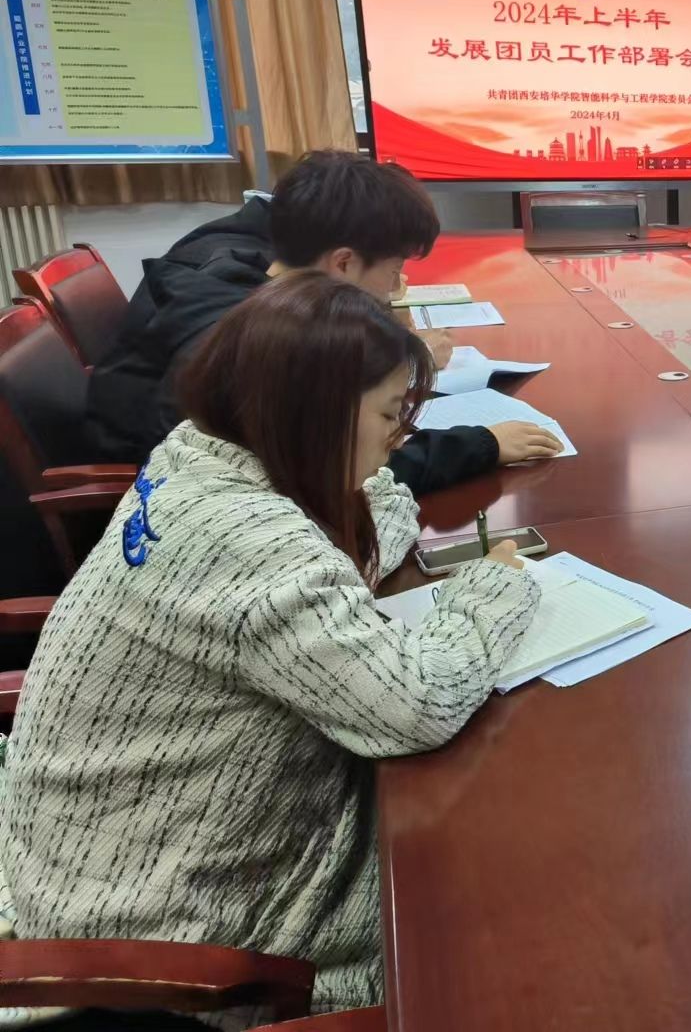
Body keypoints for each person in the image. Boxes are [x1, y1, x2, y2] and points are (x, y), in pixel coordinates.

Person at [0, 274, 541, 1020]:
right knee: (486, 908)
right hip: (163, 920)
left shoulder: (199, 458)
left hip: (90, 849)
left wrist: (373, 497)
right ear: (317, 413)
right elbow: (418, 704)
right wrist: (496, 586)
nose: (399, 438)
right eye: (391, 413)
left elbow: (345, 542)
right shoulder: (253, 543)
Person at [87, 150, 561, 492]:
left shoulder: (254, 277)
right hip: (189, 526)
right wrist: (481, 445)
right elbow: (333, 471)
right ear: (343, 262)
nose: (393, 291)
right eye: (393, 271)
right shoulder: (255, 343)